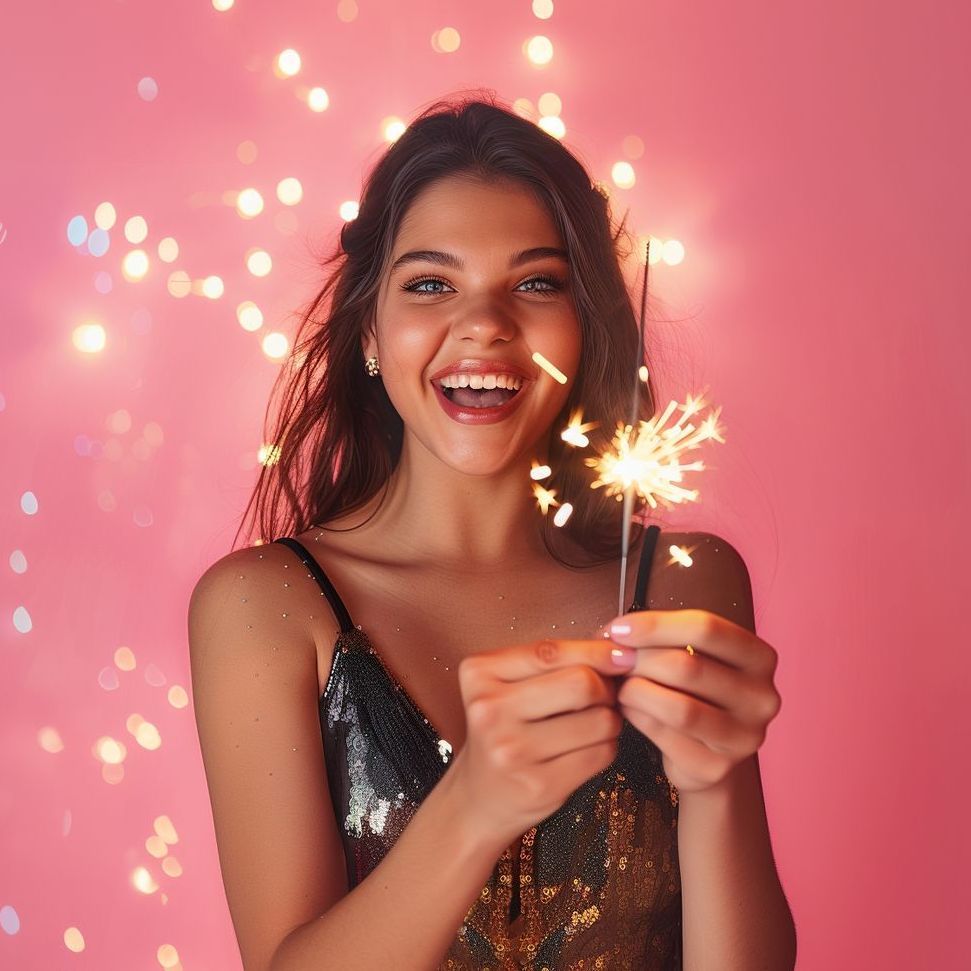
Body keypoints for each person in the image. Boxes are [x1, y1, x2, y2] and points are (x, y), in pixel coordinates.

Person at [188, 94, 796, 971]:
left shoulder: (684, 586)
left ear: (586, 331)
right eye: (431, 283)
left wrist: (716, 780)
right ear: (367, 332)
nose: (483, 324)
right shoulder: (268, 605)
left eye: (537, 283)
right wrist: (473, 805)